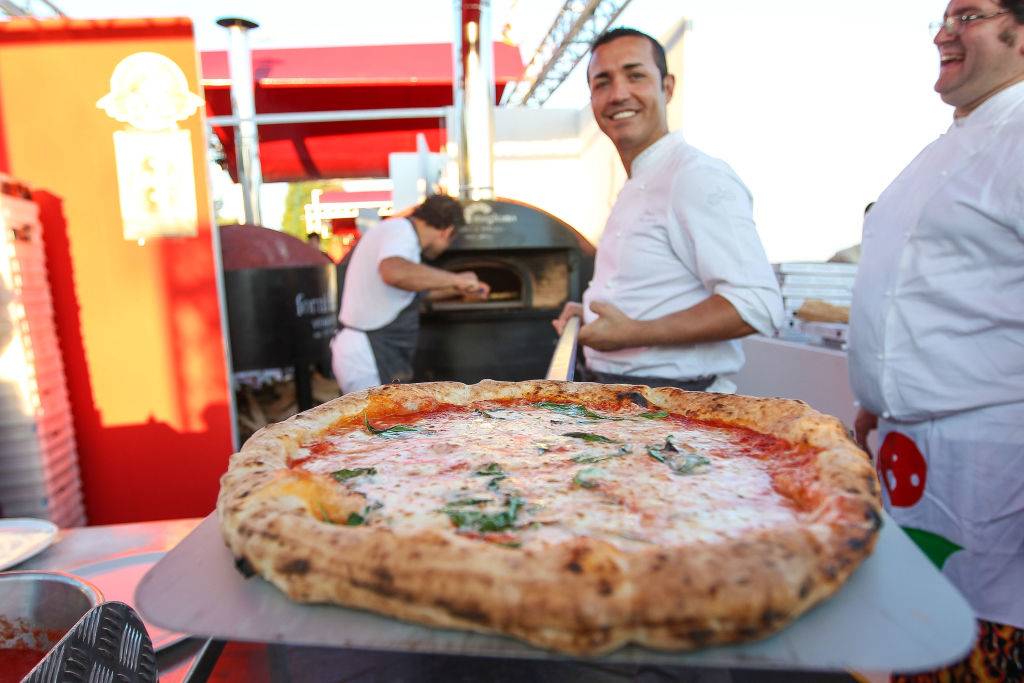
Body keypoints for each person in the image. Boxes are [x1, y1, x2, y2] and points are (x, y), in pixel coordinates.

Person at [849, 0, 1024, 678]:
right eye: (943, 15)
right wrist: (878, 390)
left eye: (970, 14)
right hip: (910, 441)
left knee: (978, 640)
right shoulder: (952, 141)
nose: (945, 31)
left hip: (991, 452)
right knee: (918, 632)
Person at [552, 28, 783, 392]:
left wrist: (635, 333)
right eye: (602, 82)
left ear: (668, 87)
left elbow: (757, 304)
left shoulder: (695, 175)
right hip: (620, 397)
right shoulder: (638, 181)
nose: (619, 94)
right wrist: (592, 313)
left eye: (635, 75)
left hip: (674, 406)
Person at [331, 194, 488, 394]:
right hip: (367, 355)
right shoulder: (401, 231)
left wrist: (458, 289)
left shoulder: (399, 234)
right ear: (447, 232)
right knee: (375, 422)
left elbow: (410, 293)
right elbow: (394, 272)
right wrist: (457, 279)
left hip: (370, 350)